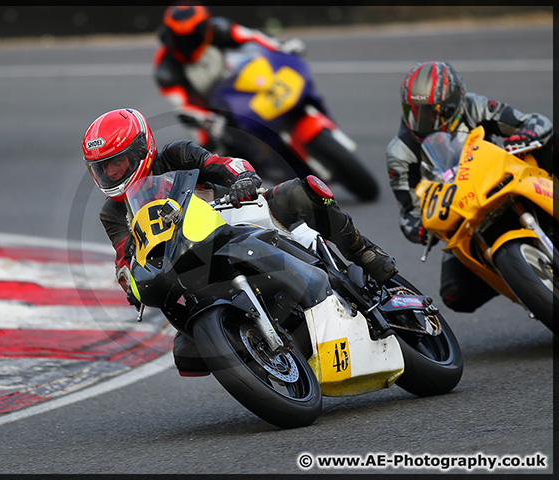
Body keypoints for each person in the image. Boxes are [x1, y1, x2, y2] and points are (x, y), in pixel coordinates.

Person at [83, 107, 396, 376]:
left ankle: (364, 252)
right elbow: (126, 255)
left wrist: (241, 178)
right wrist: (130, 280)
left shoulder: (177, 155)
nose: (111, 173)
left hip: (237, 221)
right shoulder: (112, 213)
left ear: (140, 150)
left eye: (118, 162)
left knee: (302, 192)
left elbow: (220, 164)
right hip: (188, 266)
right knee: (186, 348)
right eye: (103, 168)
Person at [386, 60, 554, 313]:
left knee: (553, 141)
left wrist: (526, 135)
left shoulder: (474, 106)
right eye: (414, 110)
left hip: (500, 182)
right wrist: (420, 228)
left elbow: (535, 122)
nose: (421, 119)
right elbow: (408, 213)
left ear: (454, 103)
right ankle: (525, 284)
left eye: (432, 111)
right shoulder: (400, 152)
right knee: (455, 295)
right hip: (461, 215)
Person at [153, 3, 310, 151]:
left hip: (229, 83)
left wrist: (281, 46)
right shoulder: (165, 66)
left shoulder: (219, 29)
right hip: (205, 107)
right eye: (181, 38)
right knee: (208, 149)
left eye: (193, 35)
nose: (188, 43)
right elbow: (182, 104)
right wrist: (208, 119)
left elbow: (253, 37)